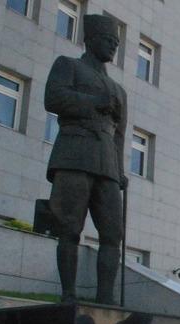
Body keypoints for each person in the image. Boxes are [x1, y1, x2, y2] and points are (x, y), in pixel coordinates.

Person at [44, 14, 128, 304]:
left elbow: (120, 134)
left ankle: (106, 298)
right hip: (75, 154)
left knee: (112, 234)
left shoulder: (119, 90)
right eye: (108, 40)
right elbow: (53, 98)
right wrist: (94, 102)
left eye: (116, 43)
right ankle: (68, 293)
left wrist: (120, 169)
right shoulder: (69, 66)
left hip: (106, 164)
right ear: (90, 40)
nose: (113, 47)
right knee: (69, 228)